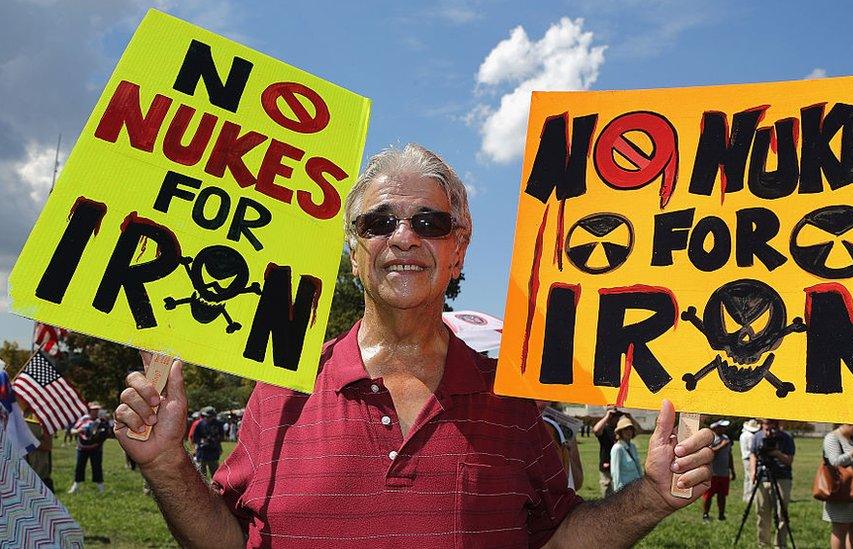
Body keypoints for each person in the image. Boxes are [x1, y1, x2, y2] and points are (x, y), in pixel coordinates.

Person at [114, 144, 716, 547]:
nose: (403, 238)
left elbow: (558, 539)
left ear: (459, 250)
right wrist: (167, 463)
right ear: (354, 251)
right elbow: (226, 539)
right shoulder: (283, 388)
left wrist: (651, 497)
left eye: (428, 223)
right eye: (379, 223)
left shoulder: (510, 401)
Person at [750, 418, 796, 549]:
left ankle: (780, 544)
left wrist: (776, 453)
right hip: (762, 477)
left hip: (782, 478)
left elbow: (789, 461)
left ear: (776, 425)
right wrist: (752, 471)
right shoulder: (757, 436)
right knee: (762, 512)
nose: (768, 430)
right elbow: (753, 454)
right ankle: (763, 544)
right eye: (765, 426)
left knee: (782, 513)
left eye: (771, 426)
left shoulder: (786, 438)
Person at [68, 401, 111, 494]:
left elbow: (106, 434)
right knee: (80, 467)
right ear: (89, 410)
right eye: (93, 410)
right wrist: (78, 430)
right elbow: (72, 430)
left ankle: (101, 488)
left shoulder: (102, 421)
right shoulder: (83, 419)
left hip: (96, 448)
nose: (95, 412)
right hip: (82, 448)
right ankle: (76, 486)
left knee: (97, 467)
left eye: (97, 410)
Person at [593, 406, 634, 497]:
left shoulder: (622, 430)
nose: (615, 418)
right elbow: (596, 430)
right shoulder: (605, 429)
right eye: (613, 416)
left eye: (617, 415)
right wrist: (607, 416)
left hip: (622, 467)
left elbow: (639, 431)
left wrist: (629, 417)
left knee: (621, 494)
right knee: (608, 495)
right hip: (607, 467)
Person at [702, 419, 734, 521]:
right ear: (716, 427)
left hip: (724, 473)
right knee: (708, 496)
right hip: (712, 473)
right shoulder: (711, 438)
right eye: (722, 427)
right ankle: (706, 514)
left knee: (722, 495)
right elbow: (709, 454)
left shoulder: (726, 438)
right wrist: (721, 446)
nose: (724, 429)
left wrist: (732, 470)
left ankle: (721, 515)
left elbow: (729, 455)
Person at [610, 416, 644, 492]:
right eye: (625, 429)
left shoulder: (633, 446)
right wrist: (617, 492)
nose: (628, 431)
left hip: (636, 487)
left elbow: (638, 466)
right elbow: (615, 473)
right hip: (624, 490)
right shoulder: (617, 448)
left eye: (630, 429)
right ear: (620, 432)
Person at [191, 406, 222, 481]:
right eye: (206, 416)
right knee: (201, 474)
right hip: (202, 452)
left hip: (213, 452)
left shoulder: (218, 424)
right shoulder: (200, 424)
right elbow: (195, 437)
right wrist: (201, 441)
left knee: (215, 474)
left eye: (209, 416)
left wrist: (214, 440)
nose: (207, 418)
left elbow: (221, 436)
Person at [740, 418, 760, 501]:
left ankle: (746, 495)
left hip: (744, 457)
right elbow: (752, 449)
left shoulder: (743, 435)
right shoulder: (751, 436)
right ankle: (751, 496)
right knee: (752, 477)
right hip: (750, 458)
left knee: (747, 478)